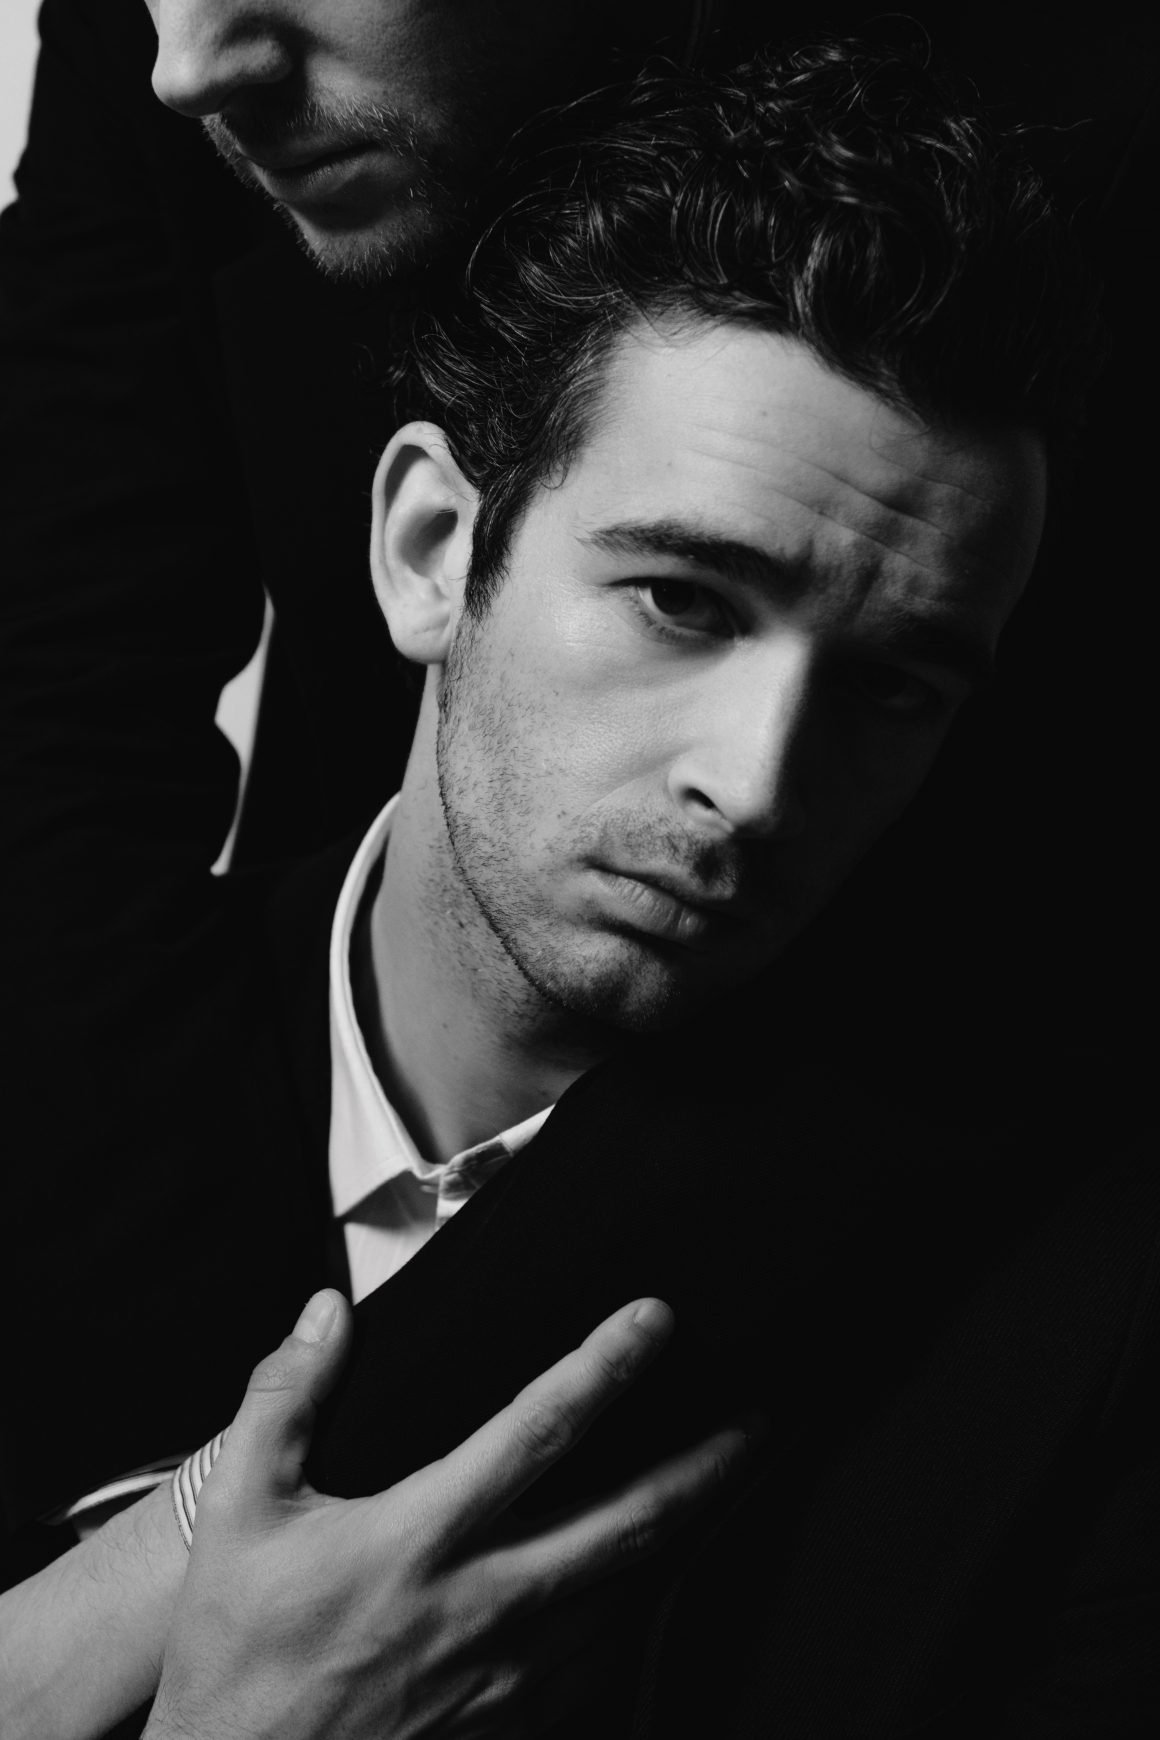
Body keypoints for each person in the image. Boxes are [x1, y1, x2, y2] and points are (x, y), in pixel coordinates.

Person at [10, 37, 1158, 1738]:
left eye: (892, 688)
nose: (753, 783)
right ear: (429, 549)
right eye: (685, 600)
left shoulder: (1072, 1372)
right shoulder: (61, 1061)